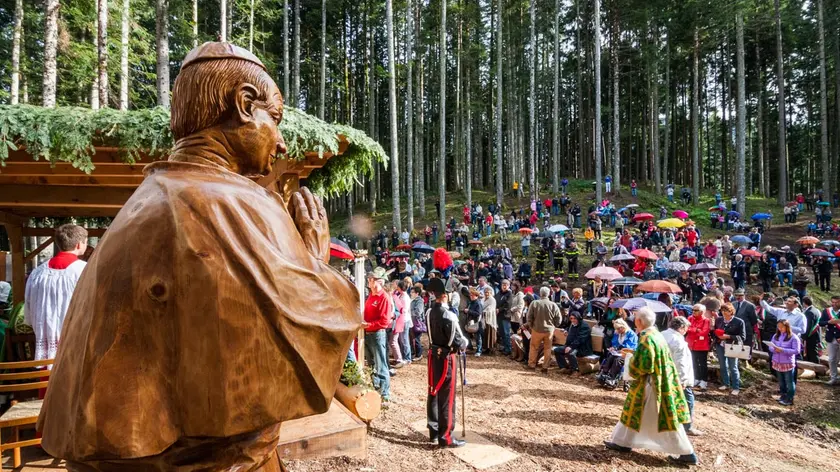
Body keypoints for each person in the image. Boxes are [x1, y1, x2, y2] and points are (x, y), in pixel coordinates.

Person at [39, 44, 363, 471]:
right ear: (245, 105)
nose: (281, 142)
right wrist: (316, 261)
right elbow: (315, 324)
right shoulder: (232, 202)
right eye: (275, 121)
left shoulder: (140, 203)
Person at [604, 308, 697, 466]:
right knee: (634, 412)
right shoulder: (655, 334)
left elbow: (645, 365)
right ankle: (622, 442)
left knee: (666, 420)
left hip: (652, 384)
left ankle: (687, 453)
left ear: (639, 321)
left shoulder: (647, 337)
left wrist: (630, 358)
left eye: (635, 319)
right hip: (658, 381)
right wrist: (635, 353)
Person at [24, 224, 88, 364]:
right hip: (75, 340)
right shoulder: (84, 270)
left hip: (45, 340)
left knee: (46, 381)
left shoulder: (37, 272)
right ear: (78, 245)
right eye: (85, 242)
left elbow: (28, 307)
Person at [425, 278, 468, 448]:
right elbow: (459, 342)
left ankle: (434, 431)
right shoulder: (449, 315)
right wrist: (465, 343)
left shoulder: (429, 312)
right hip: (447, 359)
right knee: (447, 398)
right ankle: (446, 437)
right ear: (444, 296)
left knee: (433, 391)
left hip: (433, 356)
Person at [661, 316, 702, 436]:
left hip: (663, 373)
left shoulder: (662, 334)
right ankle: (687, 426)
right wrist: (683, 380)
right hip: (676, 376)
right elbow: (681, 362)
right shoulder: (678, 341)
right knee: (688, 400)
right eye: (686, 328)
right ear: (682, 327)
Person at [364, 268, 395, 402]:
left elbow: (384, 322)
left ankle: (385, 393)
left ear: (380, 282)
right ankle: (375, 387)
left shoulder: (384, 298)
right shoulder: (370, 295)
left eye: (373, 279)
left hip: (377, 334)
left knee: (380, 363)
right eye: (370, 279)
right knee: (371, 362)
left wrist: (368, 325)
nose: (370, 281)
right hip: (368, 333)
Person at [525, 287, 563, 373]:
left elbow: (529, 317)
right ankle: (545, 367)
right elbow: (559, 319)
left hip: (536, 329)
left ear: (540, 293)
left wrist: (531, 326)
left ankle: (531, 365)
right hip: (549, 330)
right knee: (548, 348)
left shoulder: (534, 303)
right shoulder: (553, 305)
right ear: (549, 294)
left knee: (534, 347)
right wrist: (554, 326)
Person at [712, 303, 745, 395]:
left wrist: (728, 336)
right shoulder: (719, 320)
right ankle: (726, 384)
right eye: (722, 310)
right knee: (723, 366)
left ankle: (736, 387)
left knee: (733, 367)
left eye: (725, 311)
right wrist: (717, 335)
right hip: (720, 345)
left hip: (732, 346)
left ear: (731, 311)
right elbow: (715, 332)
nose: (723, 313)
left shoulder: (739, 321)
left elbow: (742, 337)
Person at [596, 319, 638, 388]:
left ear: (623, 326)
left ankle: (612, 378)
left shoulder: (631, 334)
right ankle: (604, 374)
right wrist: (613, 348)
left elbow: (629, 346)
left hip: (627, 354)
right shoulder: (617, 333)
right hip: (619, 353)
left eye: (619, 328)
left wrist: (618, 349)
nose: (617, 330)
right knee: (610, 357)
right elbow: (615, 342)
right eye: (616, 329)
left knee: (617, 360)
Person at [769, 320, 801, 406]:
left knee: (789, 381)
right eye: (778, 327)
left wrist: (782, 350)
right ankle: (783, 395)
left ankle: (790, 398)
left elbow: (796, 350)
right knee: (781, 381)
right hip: (777, 362)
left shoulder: (794, 337)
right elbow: (770, 347)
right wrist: (774, 349)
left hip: (787, 363)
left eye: (782, 327)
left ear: (787, 327)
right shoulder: (776, 336)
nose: (780, 329)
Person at [686, 303, 711, 390]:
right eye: (693, 310)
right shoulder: (689, 318)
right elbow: (686, 329)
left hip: (702, 345)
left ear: (702, 312)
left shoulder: (706, 320)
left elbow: (704, 332)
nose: (693, 312)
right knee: (693, 362)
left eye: (696, 310)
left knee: (702, 364)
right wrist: (696, 330)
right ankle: (696, 378)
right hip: (691, 344)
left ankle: (704, 380)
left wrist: (692, 330)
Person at [819, 295, 840, 386]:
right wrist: (828, 322)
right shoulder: (827, 311)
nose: (834, 304)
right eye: (833, 302)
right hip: (831, 338)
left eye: (837, 302)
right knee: (831, 359)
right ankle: (833, 377)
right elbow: (820, 323)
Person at [801, 297, 822, 364]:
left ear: (804, 303)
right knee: (813, 352)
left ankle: (816, 369)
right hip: (816, 334)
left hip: (810, 336)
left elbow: (808, 326)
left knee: (811, 353)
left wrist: (803, 337)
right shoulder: (816, 310)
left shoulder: (809, 312)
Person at [496, 280, 513, 355]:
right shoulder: (499, 293)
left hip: (505, 316)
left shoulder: (509, 294)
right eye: (503, 284)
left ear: (509, 286)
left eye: (506, 285)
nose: (504, 286)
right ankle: (504, 347)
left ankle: (508, 348)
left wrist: (499, 309)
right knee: (501, 333)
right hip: (499, 316)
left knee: (506, 333)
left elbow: (508, 305)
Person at [482, 286, 497, 355]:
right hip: (484, 319)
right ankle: (486, 348)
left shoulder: (492, 300)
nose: (486, 294)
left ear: (490, 293)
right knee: (486, 334)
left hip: (490, 319)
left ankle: (492, 349)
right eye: (485, 292)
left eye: (488, 292)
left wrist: (483, 311)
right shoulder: (483, 299)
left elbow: (490, 309)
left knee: (491, 334)